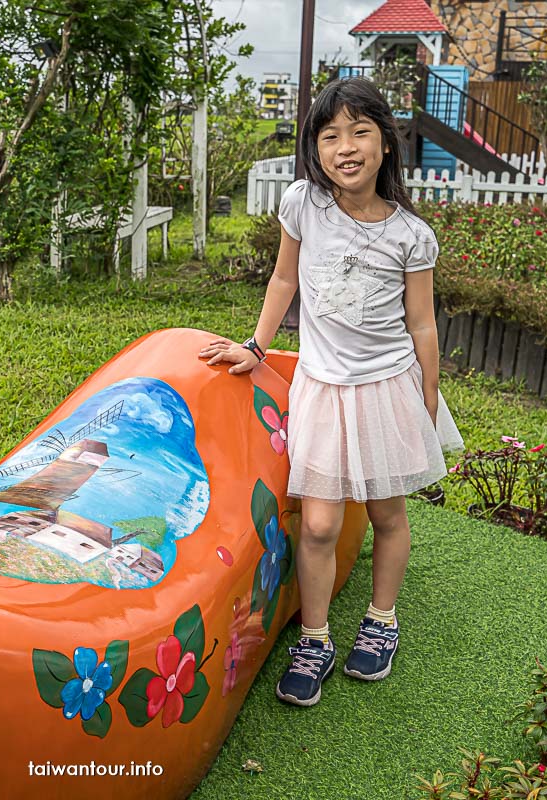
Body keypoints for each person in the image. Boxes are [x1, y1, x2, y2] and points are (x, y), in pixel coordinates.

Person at [198, 77, 465, 707]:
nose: (345, 147)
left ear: (386, 143)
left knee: (385, 513)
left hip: (386, 389)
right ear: (315, 149)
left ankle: (381, 621)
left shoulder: (411, 235)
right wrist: (256, 348)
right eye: (330, 135)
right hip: (321, 385)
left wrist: (426, 395)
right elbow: (284, 279)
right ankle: (313, 638)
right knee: (317, 525)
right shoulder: (303, 204)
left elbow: (423, 323)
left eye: (360, 131)